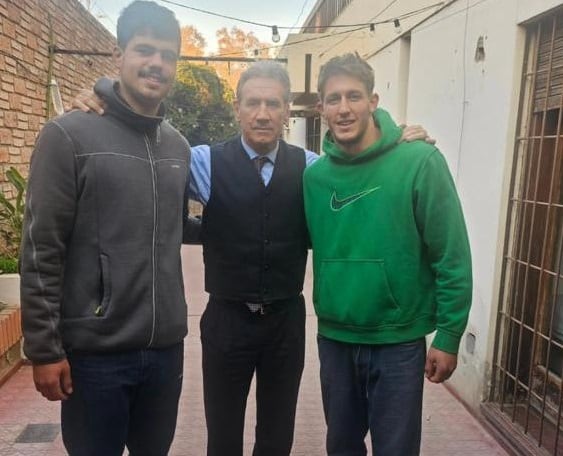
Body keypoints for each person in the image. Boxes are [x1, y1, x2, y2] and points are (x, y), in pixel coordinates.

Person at [73, 60, 430, 456]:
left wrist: (399, 140)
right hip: (227, 322)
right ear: (237, 108)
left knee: (277, 437)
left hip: (285, 323)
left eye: (274, 104)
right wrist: (100, 102)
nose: (263, 114)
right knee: (222, 437)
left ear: (286, 111)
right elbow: (147, 162)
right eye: (254, 103)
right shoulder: (202, 161)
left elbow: (362, 166)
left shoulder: (311, 169)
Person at [19, 2, 190, 455]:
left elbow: (178, 224)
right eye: (145, 50)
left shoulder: (178, 146)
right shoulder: (69, 135)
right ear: (120, 55)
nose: (157, 64)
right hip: (95, 356)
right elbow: (41, 247)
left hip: (165, 351)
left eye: (168, 55)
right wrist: (44, 348)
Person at [303, 52, 473, 456]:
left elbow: (451, 254)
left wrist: (448, 335)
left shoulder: (420, 161)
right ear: (321, 108)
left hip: (398, 343)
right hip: (336, 340)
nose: (344, 108)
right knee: (341, 448)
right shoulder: (314, 178)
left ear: (373, 101)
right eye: (333, 99)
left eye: (354, 96)